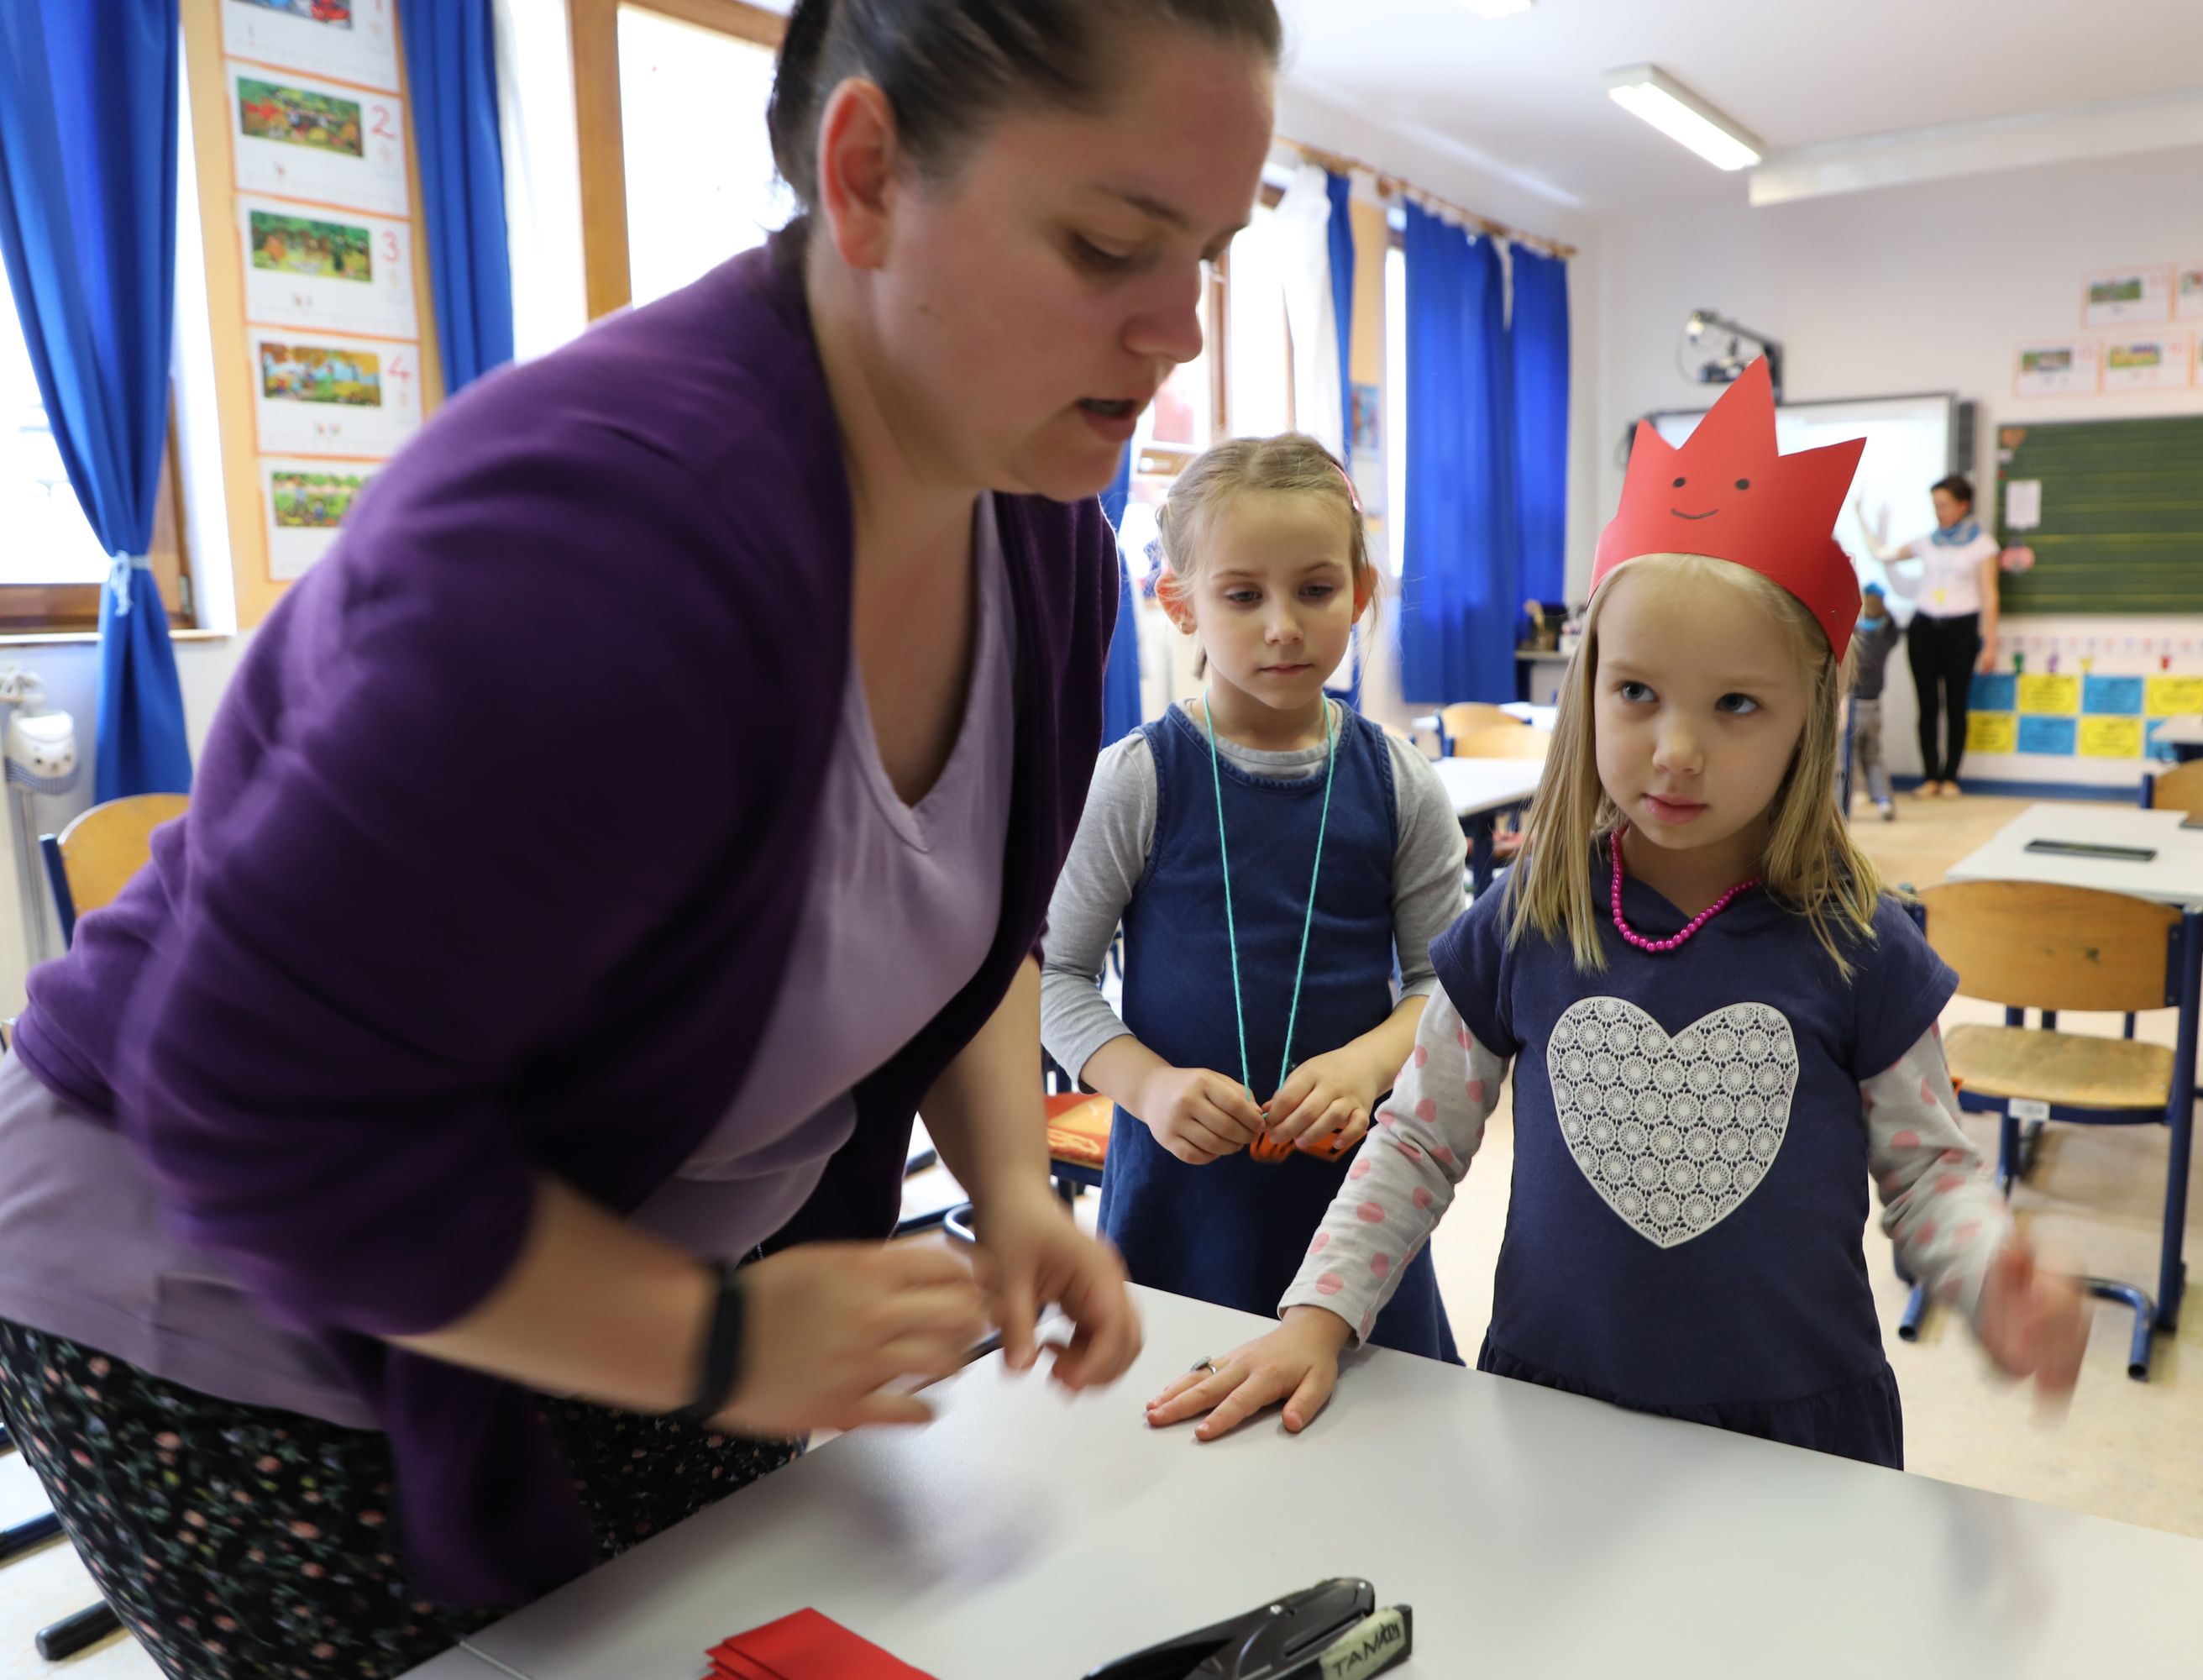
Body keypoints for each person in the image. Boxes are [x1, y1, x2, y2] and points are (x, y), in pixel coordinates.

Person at [0, 1, 1287, 1672]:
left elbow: (959, 934)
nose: (1177, 332)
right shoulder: (604, 548)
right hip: (238, 1297)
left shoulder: (1037, 527)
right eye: (1110, 246)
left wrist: (1009, 1193)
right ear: (868, 173)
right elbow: (255, 1106)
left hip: (605, 1265)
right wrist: (711, 1337)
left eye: (1207, 255)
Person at [1146, 361, 2089, 1464]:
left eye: (1736, 704)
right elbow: (1417, 1140)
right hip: (1552, 1410)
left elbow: (1930, 1173)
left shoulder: (1860, 943)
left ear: (1810, 715)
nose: (1676, 750)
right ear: (1588, 689)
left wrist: (1991, 1275)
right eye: (1636, 692)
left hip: (1794, 1432)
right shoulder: (1526, 918)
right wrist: (1319, 1311)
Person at [1042, 434, 1466, 1362]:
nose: (1283, 626)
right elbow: (1055, 978)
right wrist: (1148, 1086)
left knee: (1371, 1421)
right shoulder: (1138, 778)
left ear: (1360, 592)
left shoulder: (1400, 783)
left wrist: (1364, 1068)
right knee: (1170, 1411)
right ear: (1179, 603)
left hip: (1356, 1206)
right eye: (1243, 595)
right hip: (1179, 1197)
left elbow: (1445, 986)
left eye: (1315, 590)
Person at [1860, 473, 2000, 798]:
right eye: (1935, 505)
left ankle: (1951, 777)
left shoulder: (1983, 545)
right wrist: (1862, 519)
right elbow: (1882, 554)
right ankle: (1930, 777)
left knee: (1955, 704)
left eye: (1944, 505)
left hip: (1961, 629)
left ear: (1963, 506)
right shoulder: (1926, 541)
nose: (1939, 512)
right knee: (1926, 705)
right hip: (1924, 627)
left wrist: (1990, 644)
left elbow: (1990, 597)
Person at [1847, 581, 1900, 819]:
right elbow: (1894, 626)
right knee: (1873, 757)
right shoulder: (1884, 638)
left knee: (1846, 759)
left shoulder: (1854, 639)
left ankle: (1848, 801)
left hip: (1852, 707)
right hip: (1875, 707)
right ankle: (1884, 801)